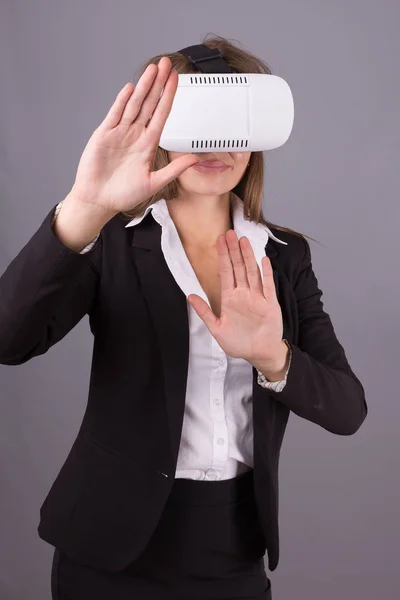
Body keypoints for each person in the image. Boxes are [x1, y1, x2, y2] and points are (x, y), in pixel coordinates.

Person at [0, 36, 368, 600]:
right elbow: (8, 339)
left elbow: (347, 409)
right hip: (108, 545)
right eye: (194, 119)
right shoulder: (110, 240)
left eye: (231, 123)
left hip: (233, 544)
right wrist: (85, 208)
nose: (214, 143)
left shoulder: (284, 256)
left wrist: (273, 356)